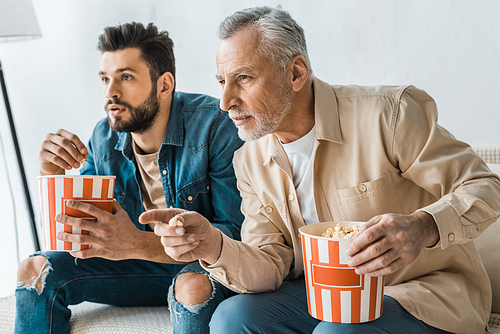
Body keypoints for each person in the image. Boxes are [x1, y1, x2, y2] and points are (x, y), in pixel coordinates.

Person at [142, 6, 500, 334]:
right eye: (222, 82)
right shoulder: (249, 160)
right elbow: (269, 263)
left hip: (423, 295)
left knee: (337, 331)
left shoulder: (389, 114)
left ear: (295, 73)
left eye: (244, 78)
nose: (225, 101)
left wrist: (424, 227)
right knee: (231, 318)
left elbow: (485, 185)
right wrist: (212, 246)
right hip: (326, 296)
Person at [15, 22, 243, 334]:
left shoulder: (215, 128)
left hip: (202, 268)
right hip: (137, 268)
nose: (111, 92)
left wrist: (136, 243)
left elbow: (238, 236)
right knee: (34, 269)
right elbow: (76, 230)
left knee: (192, 288)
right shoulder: (104, 136)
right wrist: (50, 174)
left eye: (125, 77)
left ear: (164, 85)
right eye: (105, 79)